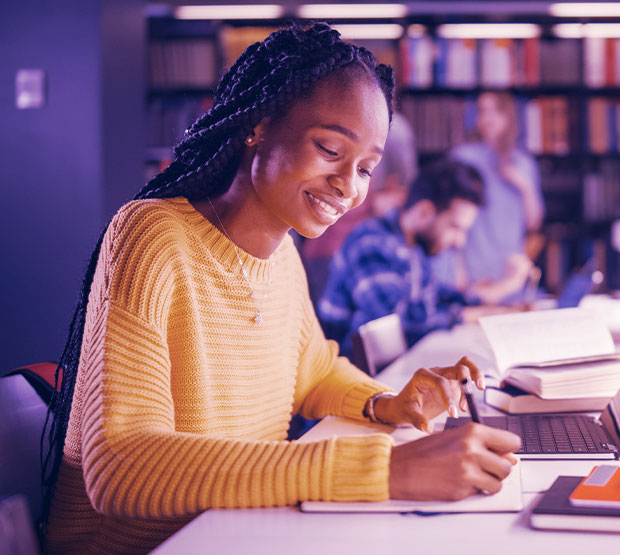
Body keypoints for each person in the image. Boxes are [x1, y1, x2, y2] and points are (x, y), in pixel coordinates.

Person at [41, 23, 519, 554]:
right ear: (258, 126)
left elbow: (312, 372)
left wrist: (387, 402)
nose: (349, 186)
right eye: (330, 148)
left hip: (237, 531)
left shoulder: (282, 254)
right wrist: (382, 468)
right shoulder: (151, 237)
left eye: (365, 168)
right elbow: (122, 469)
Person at [318, 158, 486, 354]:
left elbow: (434, 296)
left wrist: (487, 307)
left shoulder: (413, 248)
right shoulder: (371, 242)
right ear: (424, 211)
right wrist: (468, 316)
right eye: (455, 227)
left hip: (389, 370)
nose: (460, 241)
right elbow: (396, 322)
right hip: (348, 374)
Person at [432, 91, 545, 303]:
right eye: (483, 111)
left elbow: (534, 222)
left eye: (495, 110)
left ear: (508, 116)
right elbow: (448, 217)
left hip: (510, 272)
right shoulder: (463, 158)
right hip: (474, 271)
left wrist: (524, 186)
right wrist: (456, 265)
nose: (488, 118)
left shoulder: (523, 164)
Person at [298, 111, 417, 305]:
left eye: (365, 170)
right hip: (337, 248)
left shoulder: (392, 130)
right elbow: (397, 195)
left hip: (331, 245)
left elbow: (398, 190)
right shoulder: (395, 129)